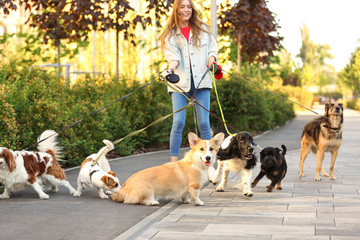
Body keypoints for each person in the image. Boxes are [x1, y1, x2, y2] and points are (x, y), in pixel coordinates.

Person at [160, 0, 218, 162]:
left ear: (192, 9)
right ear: (177, 10)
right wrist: (170, 68)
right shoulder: (170, 33)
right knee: (178, 122)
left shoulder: (202, 28)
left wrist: (211, 58)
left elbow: (212, 48)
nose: (186, 10)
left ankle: (209, 163)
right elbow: (174, 57)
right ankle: (173, 163)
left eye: (189, 7)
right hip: (179, 85)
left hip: (202, 82)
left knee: (204, 124)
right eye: (182, 7)